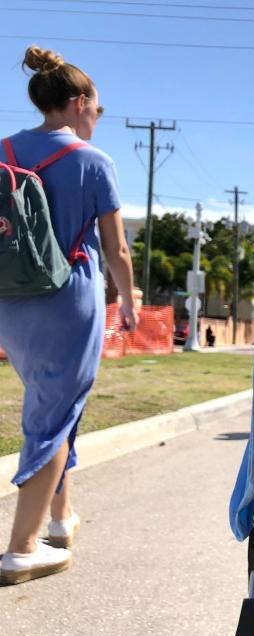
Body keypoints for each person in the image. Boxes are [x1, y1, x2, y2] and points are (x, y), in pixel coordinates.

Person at [0, 46, 138, 585]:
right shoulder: (92, 161)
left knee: (54, 401)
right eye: (98, 111)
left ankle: (60, 518)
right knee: (54, 417)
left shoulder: (4, 150)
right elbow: (116, 248)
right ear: (79, 103)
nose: (96, 121)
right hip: (67, 295)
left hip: (10, 297)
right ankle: (20, 548)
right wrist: (127, 299)